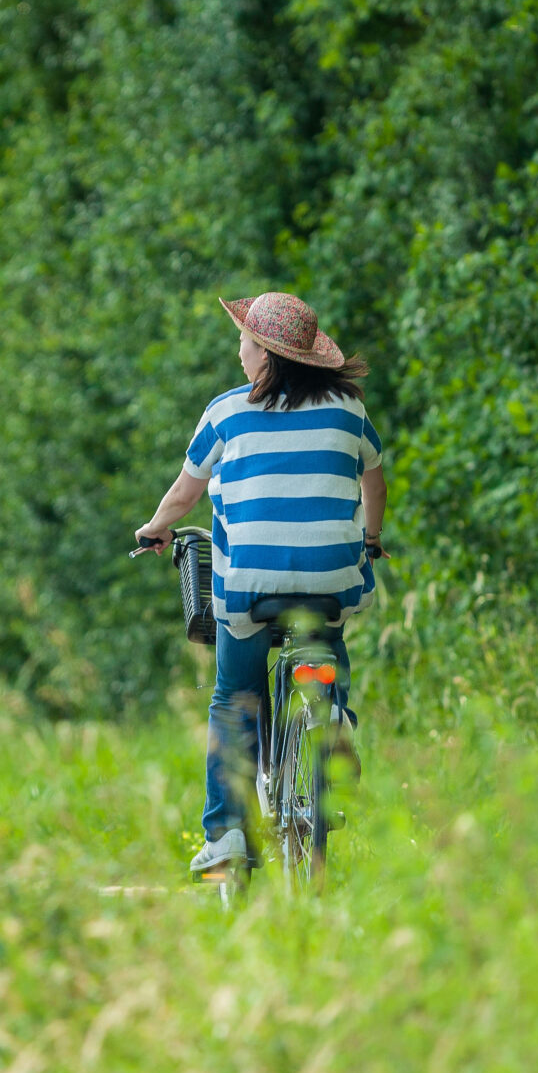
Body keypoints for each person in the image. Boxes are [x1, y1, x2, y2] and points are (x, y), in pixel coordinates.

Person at [134, 291, 386, 876]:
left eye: (245, 342)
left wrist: (154, 529)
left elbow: (184, 494)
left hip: (249, 586)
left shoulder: (226, 412)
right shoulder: (350, 410)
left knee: (233, 697)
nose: (239, 350)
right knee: (327, 631)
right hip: (331, 581)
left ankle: (225, 834)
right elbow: (373, 477)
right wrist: (371, 538)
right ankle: (335, 720)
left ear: (267, 355)